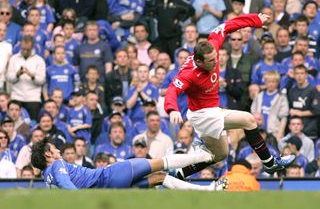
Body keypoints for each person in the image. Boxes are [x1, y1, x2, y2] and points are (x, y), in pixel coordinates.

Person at [164, 13, 295, 180]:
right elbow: (171, 90)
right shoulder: (189, 74)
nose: (215, 62)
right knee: (249, 120)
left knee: (220, 154)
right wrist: (172, 109)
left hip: (212, 111)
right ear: (198, 62)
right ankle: (270, 163)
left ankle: (180, 174)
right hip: (202, 115)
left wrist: (255, 20)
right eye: (211, 61)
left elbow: (227, 26)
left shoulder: (212, 45)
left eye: (215, 58)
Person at [31, 137, 227, 190]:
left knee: (159, 178)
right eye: (53, 148)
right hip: (110, 175)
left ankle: (209, 191)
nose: (57, 149)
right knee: (160, 163)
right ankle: (202, 156)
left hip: (106, 188)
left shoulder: (46, 178)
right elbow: (69, 190)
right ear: (48, 155)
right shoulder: (57, 166)